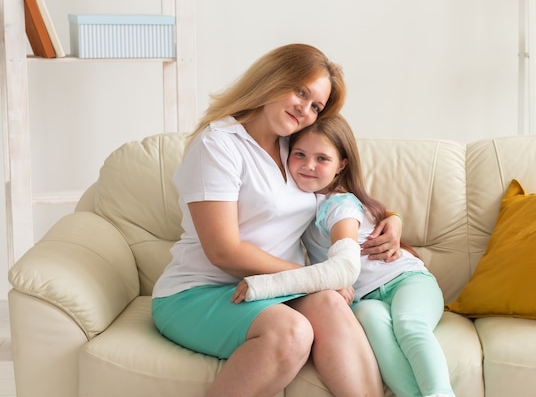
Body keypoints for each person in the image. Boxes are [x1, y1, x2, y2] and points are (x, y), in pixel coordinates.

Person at [151, 43, 404, 397]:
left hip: (274, 290)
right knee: (293, 332)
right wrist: (314, 279)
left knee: (331, 303)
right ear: (273, 78)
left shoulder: (295, 147)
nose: (305, 109)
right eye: (300, 91)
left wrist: (392, 218)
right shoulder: (219, 145)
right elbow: (224, 251)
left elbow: (343, 193)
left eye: (316, 105)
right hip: (198, 292)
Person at [235, 114, 456, 397]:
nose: (308, 165)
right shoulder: (301, 203)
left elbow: (344, 260)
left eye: (322, 159)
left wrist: (263, 285)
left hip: (407, 281)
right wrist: (394, 216)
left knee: (408, 324)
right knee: (372, 323)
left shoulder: (339, 204)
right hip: (367, 300)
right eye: (299, 154)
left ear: (341, 165)